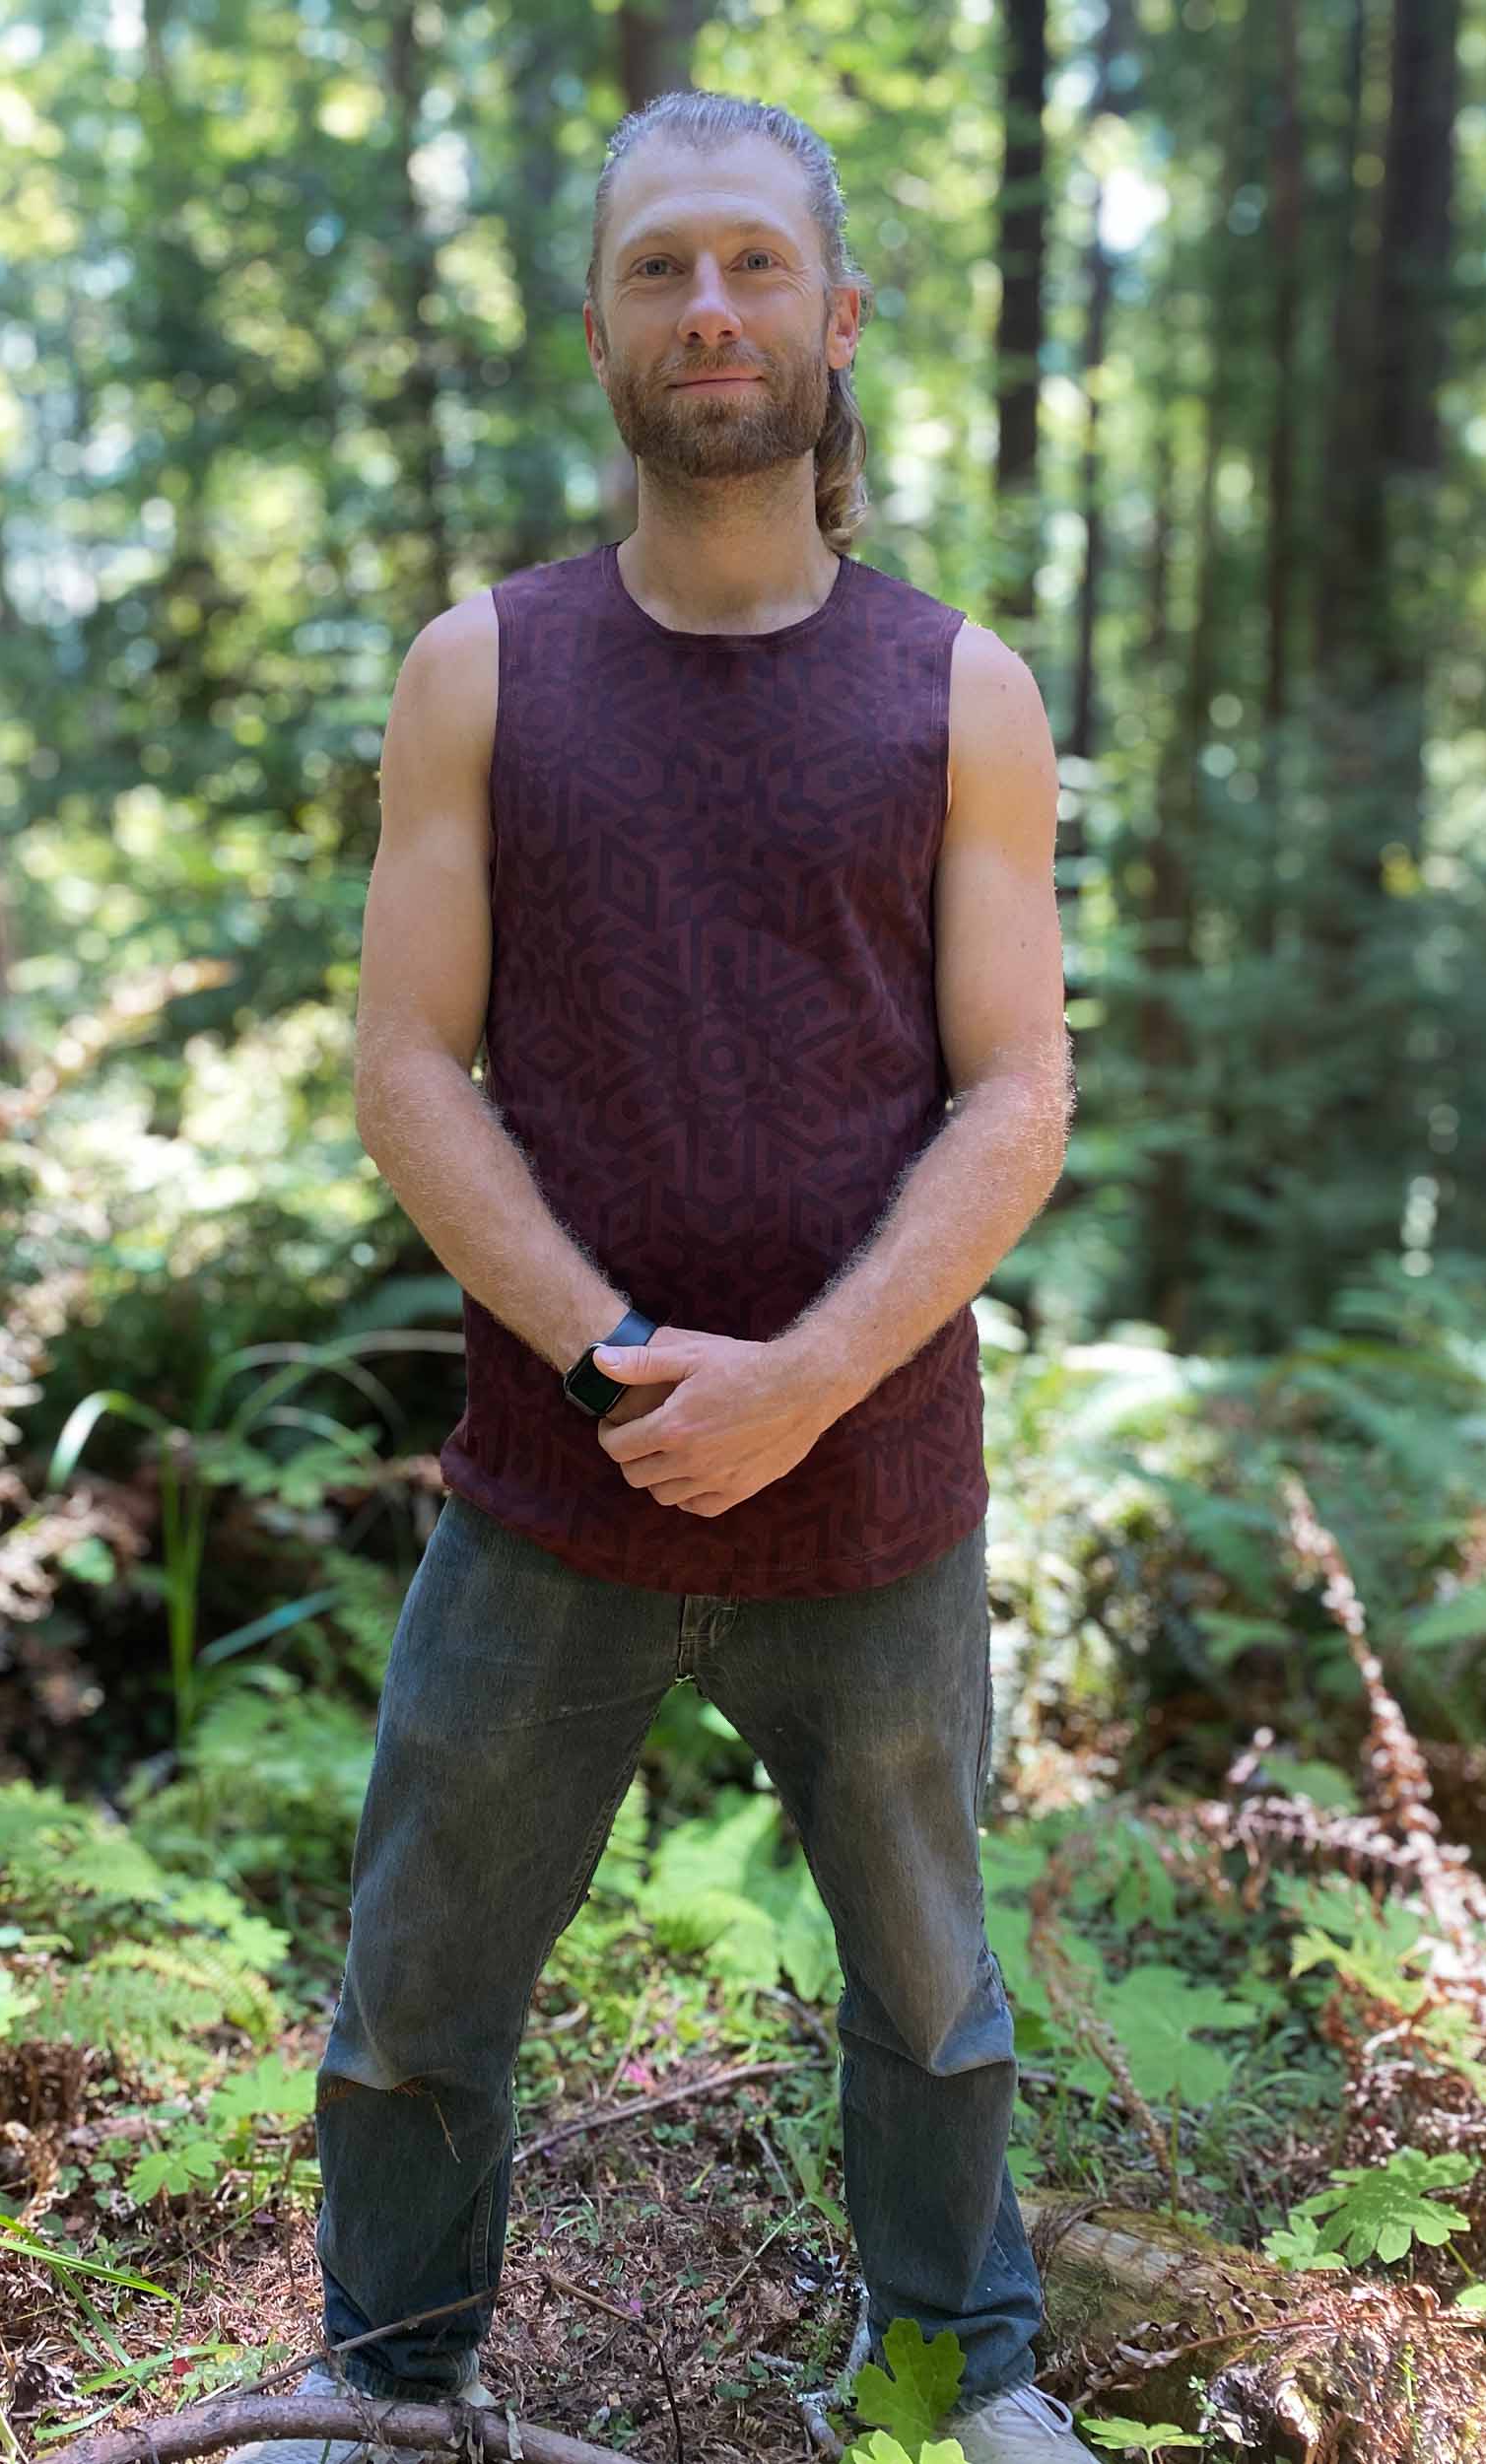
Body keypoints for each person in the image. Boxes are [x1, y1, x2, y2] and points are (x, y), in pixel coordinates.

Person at [234, 85, 1083, 2464]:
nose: (705, 306)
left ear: (837, 316)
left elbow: (1016, 1095)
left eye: (747, 263)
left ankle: (959, 2365)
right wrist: (617, 1361)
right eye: (654, 268)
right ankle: (389, 2387)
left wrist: (803, 1380)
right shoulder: (482, 669)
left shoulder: (960, 690)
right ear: (595, 322)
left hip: (876, 1486)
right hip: (551, 1482)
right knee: (420, 1974)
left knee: (929, 1987)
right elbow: (408, 1063)